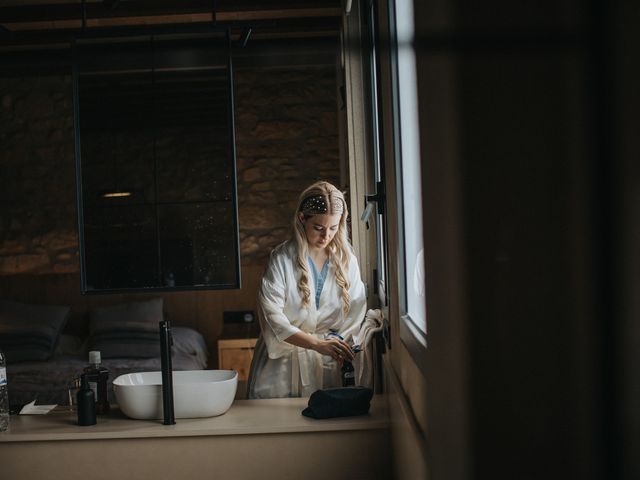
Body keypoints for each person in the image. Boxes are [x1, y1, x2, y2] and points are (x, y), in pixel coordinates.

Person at [247, 181, 367, 398]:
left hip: (329, 363)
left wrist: (333, 344)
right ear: (302, 218)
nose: (326, 236)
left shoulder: (347, 260)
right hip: (282, 367)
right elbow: (272, 316)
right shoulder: (282, 259)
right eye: (319, 228)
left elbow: (356, 312)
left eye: (333, 228)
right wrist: (315, 344)